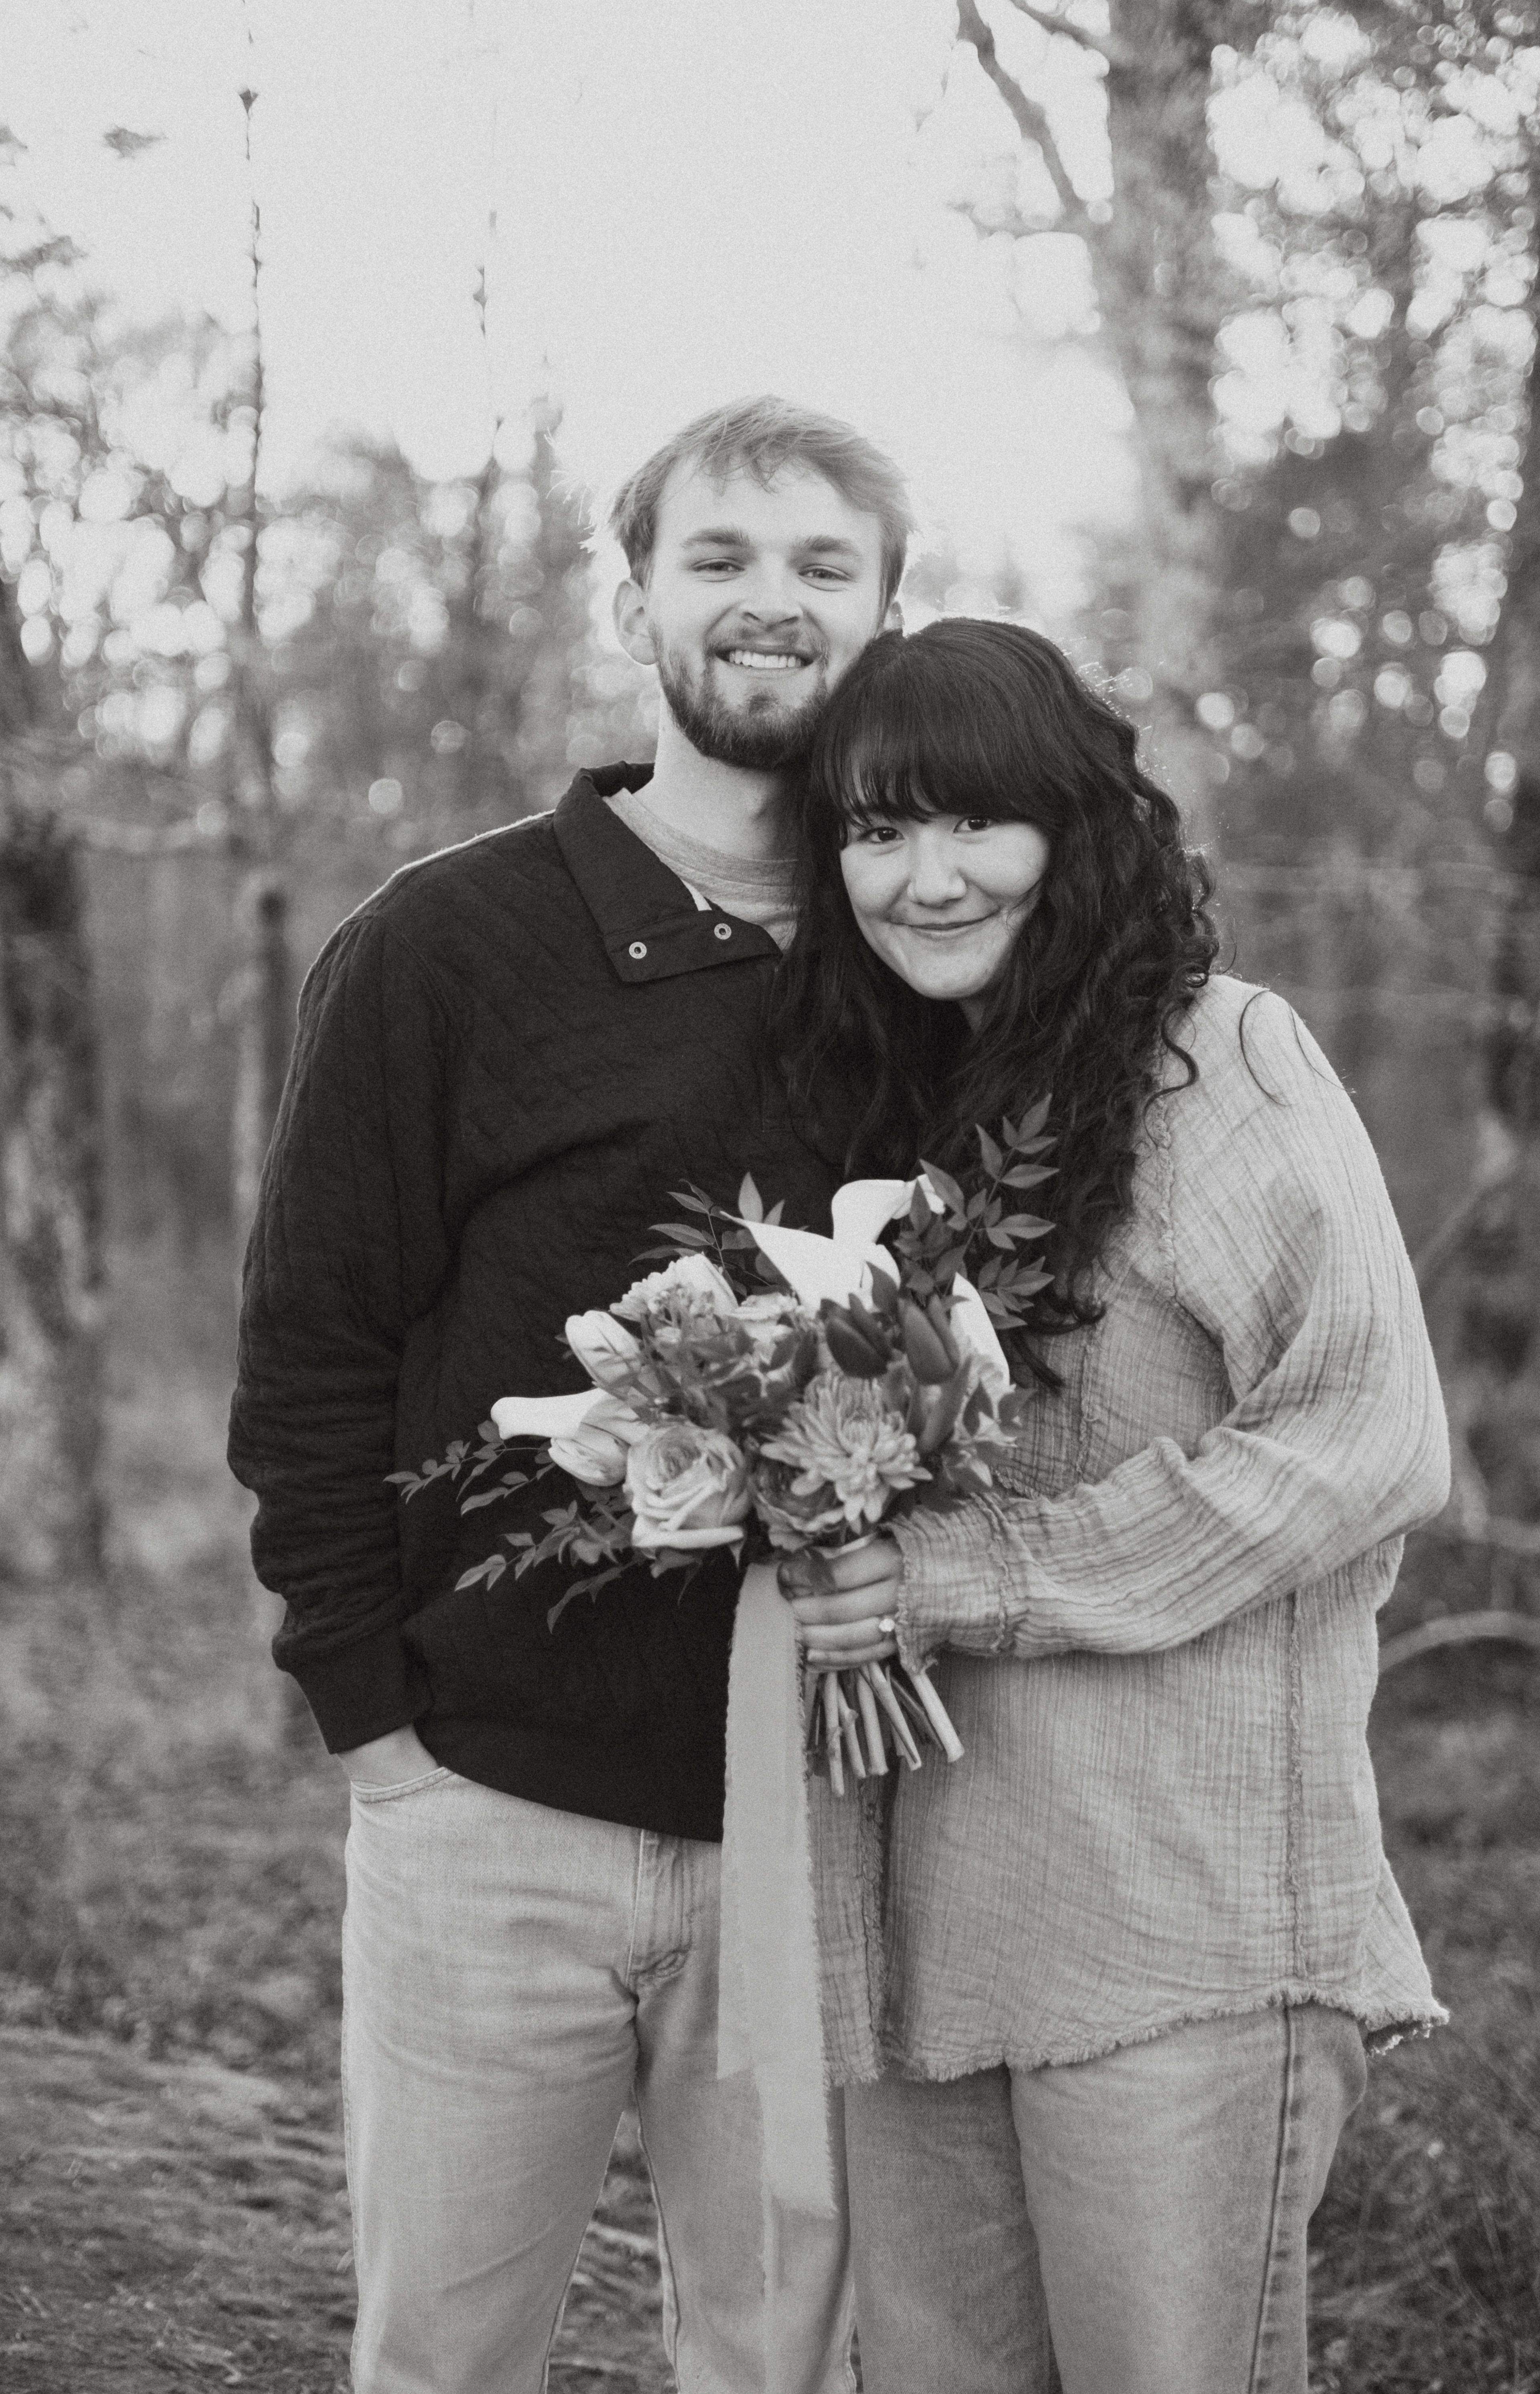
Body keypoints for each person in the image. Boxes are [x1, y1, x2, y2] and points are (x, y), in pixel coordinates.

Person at [226, 396, 909, 2394]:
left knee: (785, 2361)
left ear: (884, 616)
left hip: (835, 1815)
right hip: (491, 1799)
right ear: (637, 601)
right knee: (446, 2356)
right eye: (719, 558)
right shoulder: (450, 943)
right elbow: (311, 1343)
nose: (768, 605)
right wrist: (376, 1727)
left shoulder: (930, 953)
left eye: (820, 567)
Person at [768, 617, 1451, 2394]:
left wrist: (968, 1574)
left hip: (1175, 1926)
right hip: (922, 1924)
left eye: (972, 824)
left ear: (1078, 825)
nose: (921, 878)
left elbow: (1362, 1437)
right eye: (872, 830)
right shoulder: (909, 1109)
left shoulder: (1219, 1064)